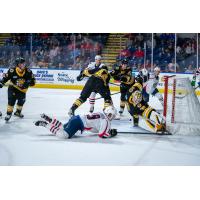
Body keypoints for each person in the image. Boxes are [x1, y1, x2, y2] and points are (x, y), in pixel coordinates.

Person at [35, 106, 118, 139]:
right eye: (111, 115)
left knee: (62, 127)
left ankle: (48, 119)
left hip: (77, 118)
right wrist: (110, 134)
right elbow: (101, 134)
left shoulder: (101, 113)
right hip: (79, 122)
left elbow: (96, 128)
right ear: (108, 113)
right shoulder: (105, 120)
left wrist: (108, 130)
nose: (112, 117)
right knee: (64, 135)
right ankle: (45, 124)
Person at [0, 57, 36, 121]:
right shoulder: (12, 71)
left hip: (23, 90)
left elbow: (33, 82)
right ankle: (9, 114)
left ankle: (17, 112)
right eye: (21, 63)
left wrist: (27, 83)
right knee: (11, 100)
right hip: (13, 88)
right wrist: (2, 82)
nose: (23, 64)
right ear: (18, 64)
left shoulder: (28, 72)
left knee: (22, 101)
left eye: (23, 63)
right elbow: (6, 78)